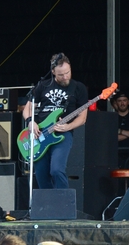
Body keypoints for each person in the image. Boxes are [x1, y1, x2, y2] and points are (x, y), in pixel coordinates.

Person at [23, 53, 88, 189]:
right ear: (53, 72)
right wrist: (30, 122)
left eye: (67, 73)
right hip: (40, 134)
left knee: (57, 170)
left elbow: (82, 118)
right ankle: (48, 206)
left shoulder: (78, 88)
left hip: (62, 134)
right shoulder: (43, 85)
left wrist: (68, 126)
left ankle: (63, 204)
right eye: (61, 75)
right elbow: (27, 108)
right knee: (41, 173)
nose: (65, 77)